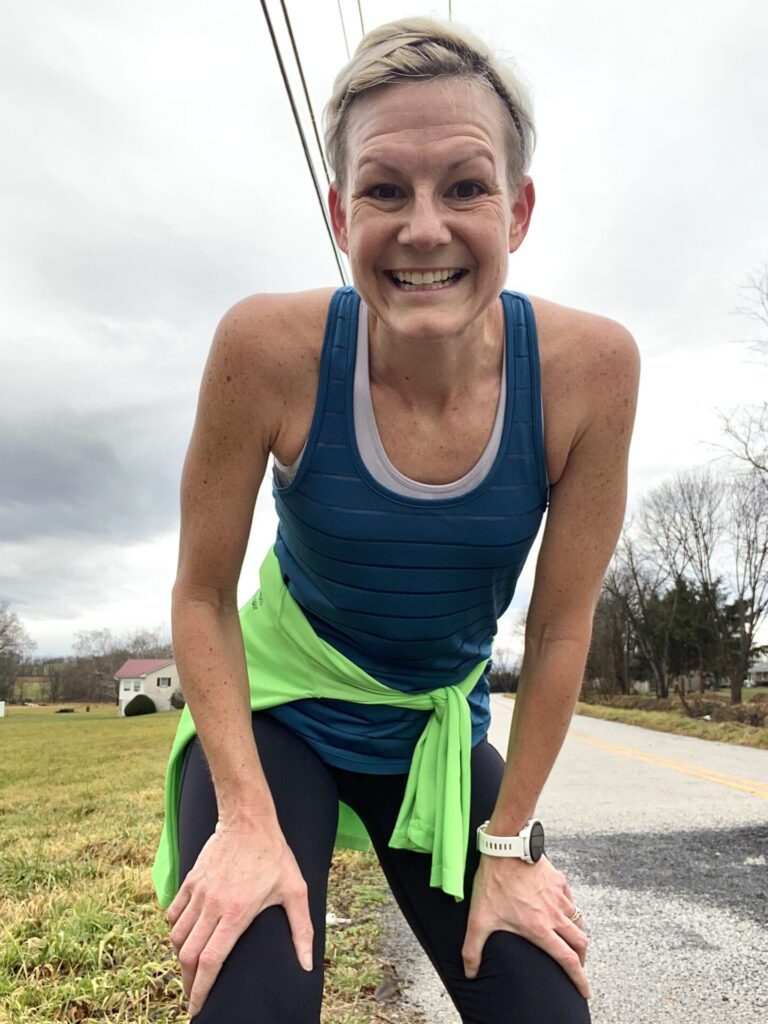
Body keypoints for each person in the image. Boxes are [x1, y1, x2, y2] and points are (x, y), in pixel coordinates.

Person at [153, 16, 639, 1024]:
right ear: (341, 212)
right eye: (384, 190)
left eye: (465, 187)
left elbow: (559, 631)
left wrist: (510, 847)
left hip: (431, 732)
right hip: (278, 711)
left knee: (544, 1011)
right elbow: (200, 595)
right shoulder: (265, 350)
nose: (424, 229)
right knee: (252, 1005)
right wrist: (242, 815)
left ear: (518, 209)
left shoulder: (591, 374)